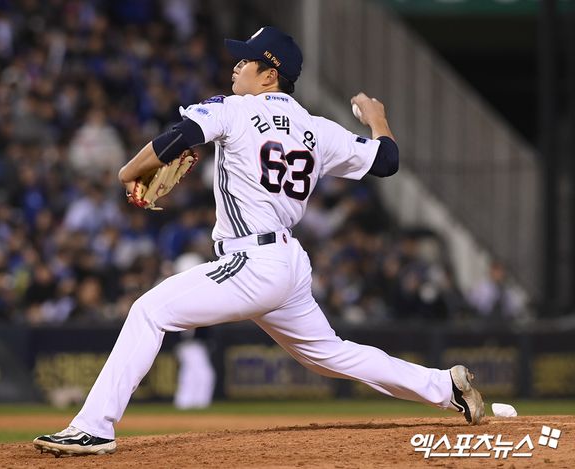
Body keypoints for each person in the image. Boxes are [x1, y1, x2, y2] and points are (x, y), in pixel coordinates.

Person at [34, 26, 484, 457]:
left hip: (252, 260)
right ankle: (444, 386)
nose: (235, 66)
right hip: (287, 263)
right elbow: (386, 160)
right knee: (328, 354)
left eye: (245, 60)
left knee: (148, 311)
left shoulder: (234, 109)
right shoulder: (317, 129)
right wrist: (377, 119)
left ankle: (93, 427)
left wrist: (127, 172)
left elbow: (181, 136)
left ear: (270, 75)